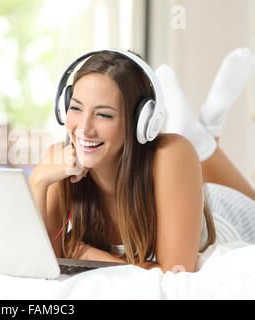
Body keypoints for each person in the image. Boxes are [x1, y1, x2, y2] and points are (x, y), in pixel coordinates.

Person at [29, 49, 255, 273]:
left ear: (142, 122)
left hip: (230, 217)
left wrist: (80, 252)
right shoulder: (58, 162)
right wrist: (39, 180)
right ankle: (205, 133)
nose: (85, 128)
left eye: (104, 115)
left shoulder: (171, 155)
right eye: (76, 108)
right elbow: (42, 261)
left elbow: (174, 274)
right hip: (185, 193)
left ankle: (208, 134)